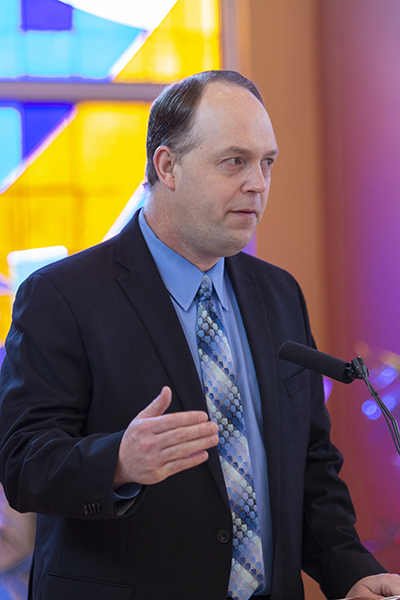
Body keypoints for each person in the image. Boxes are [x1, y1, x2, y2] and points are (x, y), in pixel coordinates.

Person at [0, 70, 399, 600]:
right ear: (168, 166)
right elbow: (23, 462)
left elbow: (309, 468)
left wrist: (351, 571)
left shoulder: (279, 294)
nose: (257, 183)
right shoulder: (63, 296)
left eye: (267, 163)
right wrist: (117, 461)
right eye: (234, 161)